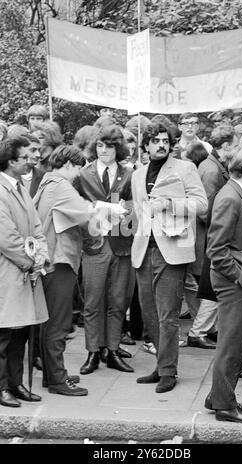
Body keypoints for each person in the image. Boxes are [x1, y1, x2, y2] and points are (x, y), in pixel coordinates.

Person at [131, 122, 207, 393]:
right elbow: (139, 211)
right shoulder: (137, 174)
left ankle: (168, 372)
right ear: (146, 145)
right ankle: (160, 365)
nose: (161, 144)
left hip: (172, 251)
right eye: (155, 141)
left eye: (165, 140)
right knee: (149, 314)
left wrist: (170, 205)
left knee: (168, 316)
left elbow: (202, 204)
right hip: (143, 250)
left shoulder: (186, 169)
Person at [205, 147, 242, 423]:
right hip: (233, 281)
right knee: (232, 341)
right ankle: (224, 405)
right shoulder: (230, 196)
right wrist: (241, 277)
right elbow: (216, 249)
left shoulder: (238, 192)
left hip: (237, 279)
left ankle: (219, 395)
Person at [34, 145, 99, 396]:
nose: (78, 176)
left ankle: (52, 375)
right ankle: (58, 381)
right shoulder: (61, 185)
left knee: (49, 323)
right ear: (70, 165)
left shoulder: (46, 183)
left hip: (49, 260)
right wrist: (99, 230)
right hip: (60, 261)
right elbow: (87, 215)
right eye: (77, 170)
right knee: (59, 324)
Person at [0, 136, 49, 407]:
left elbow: (36, 228)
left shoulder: (21, 189)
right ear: (11, 161)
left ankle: (15, 384)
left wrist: (40, 255)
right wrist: (32, 261)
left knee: (21, 333)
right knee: (2, 335)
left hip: (25, 273)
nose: (31, 159)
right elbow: (7, 239)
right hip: (6, 274)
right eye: (25, 156)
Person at [76, 125, 135, 375]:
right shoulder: (82, 174)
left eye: (109, 146)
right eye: (99, 146)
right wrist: (94, 207)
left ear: (118, 148)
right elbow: (75, 205)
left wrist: (126, 209)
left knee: (118, 301)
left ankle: (112, 350)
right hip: (95, 243)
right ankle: (92, 351)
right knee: (92, 301)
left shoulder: (130, 173)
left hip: (122, 241)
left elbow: (137, 206)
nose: (104, 151)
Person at [186, 125, 238, 349]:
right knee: (212, 284)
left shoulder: (214, 165)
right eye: (235, 145)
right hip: (206, 236)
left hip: (208, 235)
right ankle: (198, 331)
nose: (236, 150)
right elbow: (205, 208)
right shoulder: (212, 169)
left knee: (209, 284)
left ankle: (206, 329)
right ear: (225, 146)